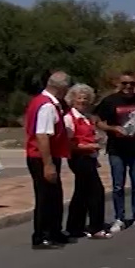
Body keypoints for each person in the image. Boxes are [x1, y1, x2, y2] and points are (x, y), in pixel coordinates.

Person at [95, 70, 135, 233]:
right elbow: (97, 121)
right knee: (118, 186)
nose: (128, 87)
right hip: (117, 150)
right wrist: (112, 128)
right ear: (119, 84)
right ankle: (119, 218)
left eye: (131, 84)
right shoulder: (110, 101)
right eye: (125, 83)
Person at [25, 71, 72, 249]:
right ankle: (41, 235)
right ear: (61, 88)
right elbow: (42, 135)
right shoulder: (46, 106)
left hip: (48, 156)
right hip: (41, 157)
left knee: (54, 196)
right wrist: (48, 164)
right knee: (45, 197)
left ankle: (54, 231)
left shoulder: (48, 103)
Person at [64, 83, 109, 240]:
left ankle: (74, 227)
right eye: (79, 98)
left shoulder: (87, 118)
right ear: (73, 100)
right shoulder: (69, 118)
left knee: (81, 193)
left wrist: (95, 141)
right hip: (79, 158)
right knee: (96, 191)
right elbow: (70, 144)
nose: (82, 101)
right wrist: (91, 145)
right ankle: (96, 227)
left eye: (85, 99)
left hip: (89, 157)